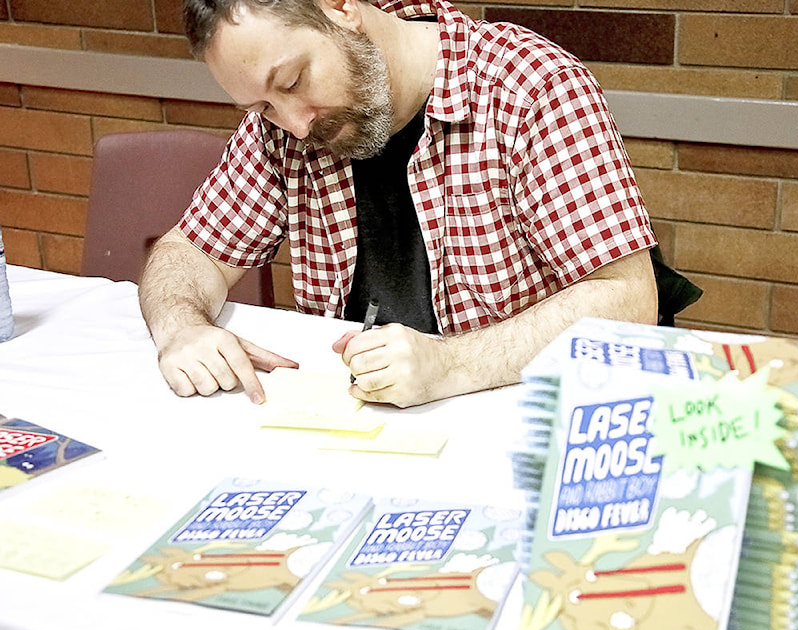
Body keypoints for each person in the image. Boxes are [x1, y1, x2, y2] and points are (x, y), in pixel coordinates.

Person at [138, 0, 659, 408]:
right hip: (358, 427)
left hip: (506, 419)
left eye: (294, 81)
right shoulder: (283, 131)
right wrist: (180, 326)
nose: (296, 124)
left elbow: (628, 301)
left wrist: (451, 365)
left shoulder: (529, 87)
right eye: (264, 106)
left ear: (341, 8)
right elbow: (189, 251)